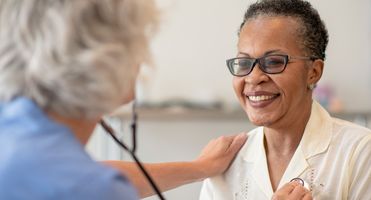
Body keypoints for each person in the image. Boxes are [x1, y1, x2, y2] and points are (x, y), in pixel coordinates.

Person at [0, 0, 248, 199]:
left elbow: (87, 173)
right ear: (104, 59)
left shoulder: (14, 131)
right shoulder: (88, 187)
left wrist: (199, 168)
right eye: (138, 43)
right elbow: (88, 183)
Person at [200, 0, 371, 199]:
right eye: (244, 62)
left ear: (313, 72)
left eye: (274, 62)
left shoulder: (360, 150)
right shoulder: (225, 163)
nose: (253, 77)